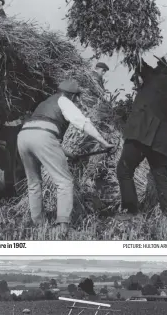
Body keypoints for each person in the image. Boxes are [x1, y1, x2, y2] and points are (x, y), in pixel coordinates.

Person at [17, 79, 113, 236]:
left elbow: (43, 130)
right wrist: (103, 142)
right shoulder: (65, 101)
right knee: (65, 182)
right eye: (77, 98)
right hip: (43, 137)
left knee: (34, 182)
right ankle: (63, 226)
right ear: (73, 96)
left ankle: (37, 223)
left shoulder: (46, 102)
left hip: (23, 136)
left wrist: (67, 154)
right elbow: (82, 122)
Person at [116, 53, 167, 217]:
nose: (157, 65)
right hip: (163, 141)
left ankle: (130, 211)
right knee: (161, 177)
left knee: (124, 170)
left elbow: (136, 60)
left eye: (159, 63)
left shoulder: (153, 77)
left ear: (163, 67)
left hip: (142, 134)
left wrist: (132, 44)